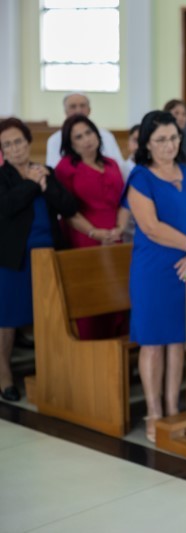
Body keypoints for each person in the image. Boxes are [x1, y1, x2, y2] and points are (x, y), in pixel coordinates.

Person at [125, 110, 186, 442]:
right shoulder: (141, 178)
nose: (169, 145)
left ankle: (173, 409)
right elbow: (151, 227)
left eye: (174, 137)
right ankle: (154, 412)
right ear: (146, 143)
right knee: (153, 343)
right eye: (160, 139)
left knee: (177, 341)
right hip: (153, 270)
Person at [0, 118, 78, 401]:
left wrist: (46, 183)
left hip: (49, 254)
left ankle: (51, 375)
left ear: (28, 142)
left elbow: (68, 206)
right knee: (7, 320)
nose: (15, 148)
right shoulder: (3, 177)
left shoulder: (45, 171)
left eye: (18, 141)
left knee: (48, 316)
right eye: (8, 145)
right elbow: (6, 207)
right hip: (14, 259)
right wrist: (32, 184)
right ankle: (4, 375)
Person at [55, 115, 129, 249]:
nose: (86, 139)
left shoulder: (112, 164)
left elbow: (124, 200)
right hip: (83, 235)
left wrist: (120, 227)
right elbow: (66, 210)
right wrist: (92, 232)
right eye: (79, 137)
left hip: (115, 234)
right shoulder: (65, 167)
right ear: (71, 144)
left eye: (89, 132)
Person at [45, 93, 125, 169]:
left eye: (82, 106)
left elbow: (119, 166)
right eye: (73, 106)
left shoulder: (106, 135)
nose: (78, 111)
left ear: (89, 110)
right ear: (65, 111)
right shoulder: (54, 139)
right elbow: (54, 170)